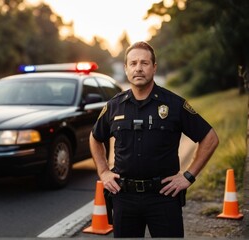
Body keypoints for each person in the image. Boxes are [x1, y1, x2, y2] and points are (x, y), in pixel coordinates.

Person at [89, 41, 219, 238]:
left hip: (164, 197)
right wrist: (104, 171)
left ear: (154, 67)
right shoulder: (114, 106)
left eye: (144, 63)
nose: (138, 68)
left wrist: (188, 176)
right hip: (124, 197)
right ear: (126, 69)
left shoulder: (174, 104)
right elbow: (95, 137)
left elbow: (210, 138)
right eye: (133, 63)